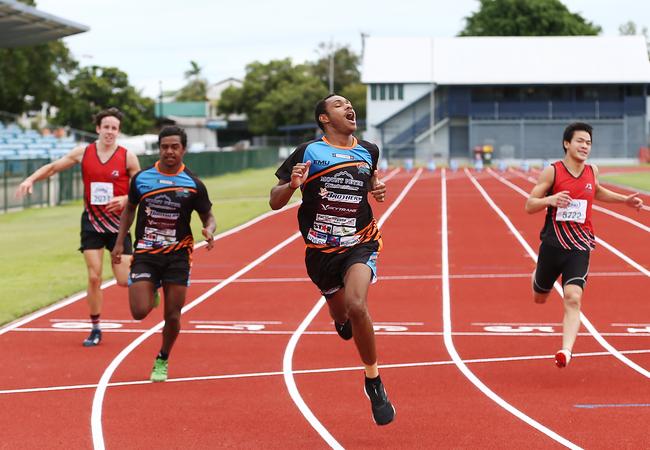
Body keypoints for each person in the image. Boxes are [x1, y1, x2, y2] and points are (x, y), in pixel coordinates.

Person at [269, 94, 395, 425]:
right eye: (339, 105)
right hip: (321, 251)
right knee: (343, 314)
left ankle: (374, 380)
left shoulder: (368, 150)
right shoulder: (308, 152)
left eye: (349, 104)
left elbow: (369, 180)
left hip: (360, 242)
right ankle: (338, 318)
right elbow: (274, 200)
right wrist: (292, 186)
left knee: (357, 305)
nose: (348, 107)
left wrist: (376, 188)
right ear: (325, 118)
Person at [16, 107, 140, 347]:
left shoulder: (127, 157)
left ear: (119, 131)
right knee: (94, 277)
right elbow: (53, 167)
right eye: (106, 127)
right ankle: (95, 328)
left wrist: (125, 199)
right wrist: (30, 178)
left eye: (114, 128)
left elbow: (140, 188)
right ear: (98, 129)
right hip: (92, 223)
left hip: (118, 225)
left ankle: (147, 278)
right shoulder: (83, 153)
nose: (110, 132)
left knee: (124, 280)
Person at [525, 122, 644, 368]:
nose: (585, 146)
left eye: (588, 143)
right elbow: (529, 205)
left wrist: (625, 201)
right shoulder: (553, 172)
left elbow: (596, 192)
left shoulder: (592, 171)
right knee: (539, 297)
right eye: (580, 141)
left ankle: (565, 352)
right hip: (552, 244)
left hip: (580, 245)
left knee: (573, 297)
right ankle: (537, 275)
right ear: (567, 143)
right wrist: (552, 199)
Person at [111, 126, 215, 382]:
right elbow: (130, 210)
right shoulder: (142, 179)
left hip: (178, 255)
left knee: (172, 315)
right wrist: (119, 242)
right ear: (159, 149)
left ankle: (163, 357)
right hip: (146, 252)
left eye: (175, 147)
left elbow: (208, 216)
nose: (169, 151)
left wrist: (209, 230)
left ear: (183, 149)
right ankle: (151, 292)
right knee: (138, 311)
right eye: (165, 146)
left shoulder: (193, 184)